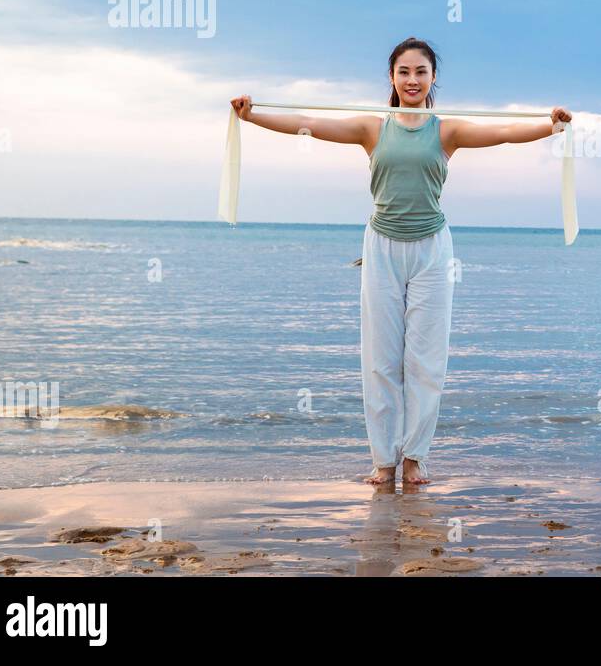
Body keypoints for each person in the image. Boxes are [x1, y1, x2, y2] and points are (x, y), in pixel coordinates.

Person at [230, 37, 572, 487]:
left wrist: (552, 126)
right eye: (404, 72)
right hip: (381, 248)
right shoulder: (373, 129)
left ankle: (414, 459)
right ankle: (383, 461)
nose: (412, 80)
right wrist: (250, 114)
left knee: (426, 361)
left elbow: (506, 134)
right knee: (380, 361)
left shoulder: (446, 131)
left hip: (432, 249)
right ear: (392, 78)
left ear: (433, 79)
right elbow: (307, 123)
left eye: (421, 72)